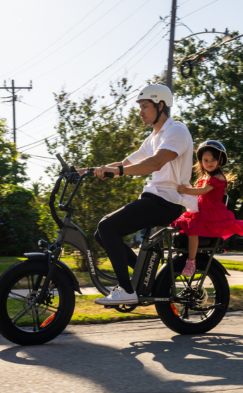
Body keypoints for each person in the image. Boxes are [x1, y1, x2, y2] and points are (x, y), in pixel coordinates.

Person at [77, 84, 198, 305]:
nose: (140, 112)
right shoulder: (153, 138)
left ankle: (126, 289)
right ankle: (145, 275)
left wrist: (119, 171)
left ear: (160, 106)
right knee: (101, 234)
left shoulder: (176, 131)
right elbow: (125, 163)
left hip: (168, 201)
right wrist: (86, 171)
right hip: (153, 199)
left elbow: (155, 162)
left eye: (144, 106)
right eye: (140, 107)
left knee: (107, 227)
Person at [170, 140, 243, 277]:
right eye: (206, 160)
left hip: (211, 212)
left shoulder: (218, 177)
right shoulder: (206, 177)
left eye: (213, 159)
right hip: (201, 210)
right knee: (181, 225)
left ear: (220, 160)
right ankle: (186, 254)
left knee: (193, 229)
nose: (209, 163)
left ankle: (191, 261)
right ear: (201, 162)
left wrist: (185, 190)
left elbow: (203, 191)